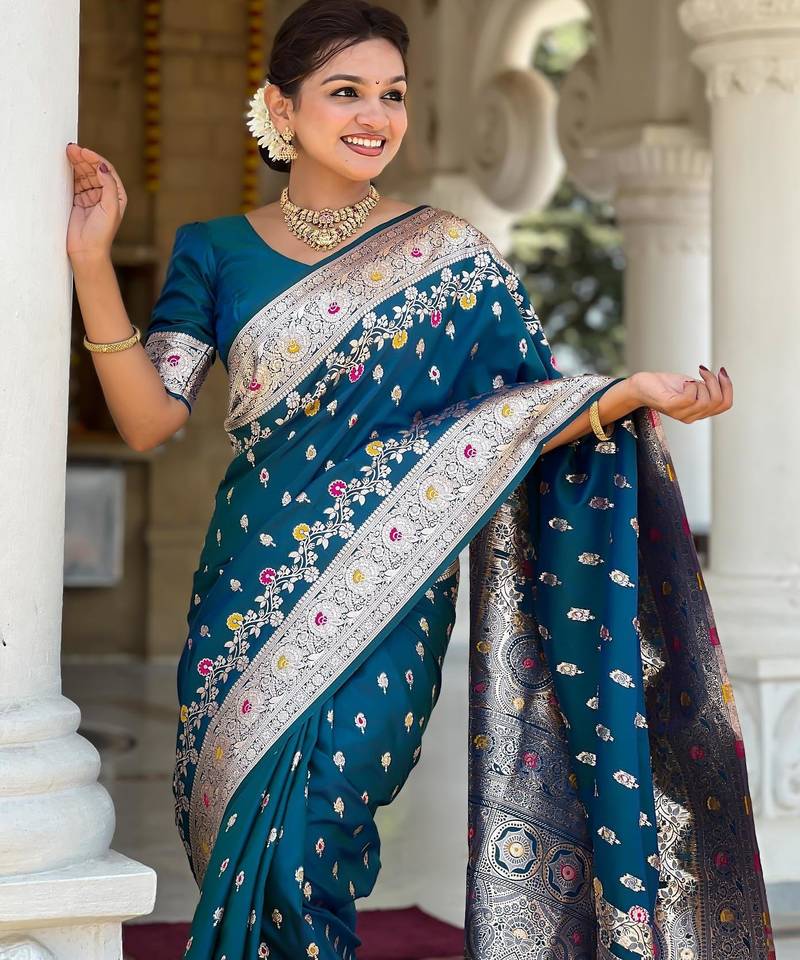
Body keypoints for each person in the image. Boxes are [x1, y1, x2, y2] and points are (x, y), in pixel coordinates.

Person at [65, 2, 773, 958]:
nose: (375, 116)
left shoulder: (453, 256)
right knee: (245, 841)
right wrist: (91, 261)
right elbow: (151, 418)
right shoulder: (215, 250)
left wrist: (625, 394)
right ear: (281, 106)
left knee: (316, 835)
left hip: (391, 593)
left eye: (392, 95)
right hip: (248, 593)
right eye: (345, 91)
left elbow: (522, 412)